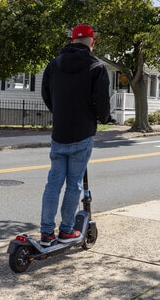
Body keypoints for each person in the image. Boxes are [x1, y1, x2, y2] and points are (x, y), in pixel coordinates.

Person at [39, 23, 111, 246]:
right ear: (92, 42)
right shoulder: (97, 67)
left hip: (59, 133)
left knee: (53, 183)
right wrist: (102, 118)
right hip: (82, 133)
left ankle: (46, 233)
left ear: (72, 40)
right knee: (74, 184)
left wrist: (60, 113)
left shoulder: (54, 65)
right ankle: (67, 230)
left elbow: (46, 94)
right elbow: (102, 103)